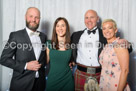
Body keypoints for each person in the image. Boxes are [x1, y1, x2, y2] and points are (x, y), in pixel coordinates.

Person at [71, 9, 132, 91]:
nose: (89, 20)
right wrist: (69, 61)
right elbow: (67, 49)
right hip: (80, 73)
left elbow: (125, 49)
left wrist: (126, 42)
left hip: (100, 75)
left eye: (92, 17)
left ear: (98, 19)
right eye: (86, 18)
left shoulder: (104, 34)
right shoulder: (76, 35)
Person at [0, 7, 47, 91]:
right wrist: (26, 65)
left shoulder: (43, 37)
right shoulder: (15, 35)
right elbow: (4, 59)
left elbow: (44, 58)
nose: (33, 19)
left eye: (36, 17)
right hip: (21, 85)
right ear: (25, 17)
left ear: (39, 19)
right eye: (31, 16)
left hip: (40, 84)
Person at [99, 19, 130, 91]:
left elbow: (125, 70)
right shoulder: (106, 46)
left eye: (110, 28)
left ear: (115, 30)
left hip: (116, 86)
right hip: (105, 85)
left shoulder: (119, 45)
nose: (107, 31)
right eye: (104, 28)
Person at [46, 17, 74, 91]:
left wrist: (72, 64)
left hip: (67, 81)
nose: (60, 28)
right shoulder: (49, 43)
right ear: (55, 28)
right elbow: (44, 62)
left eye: (63, 25)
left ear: (66, 28)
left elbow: (75, 60)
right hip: (53, 80)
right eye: (57, 26)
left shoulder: (71, 45)